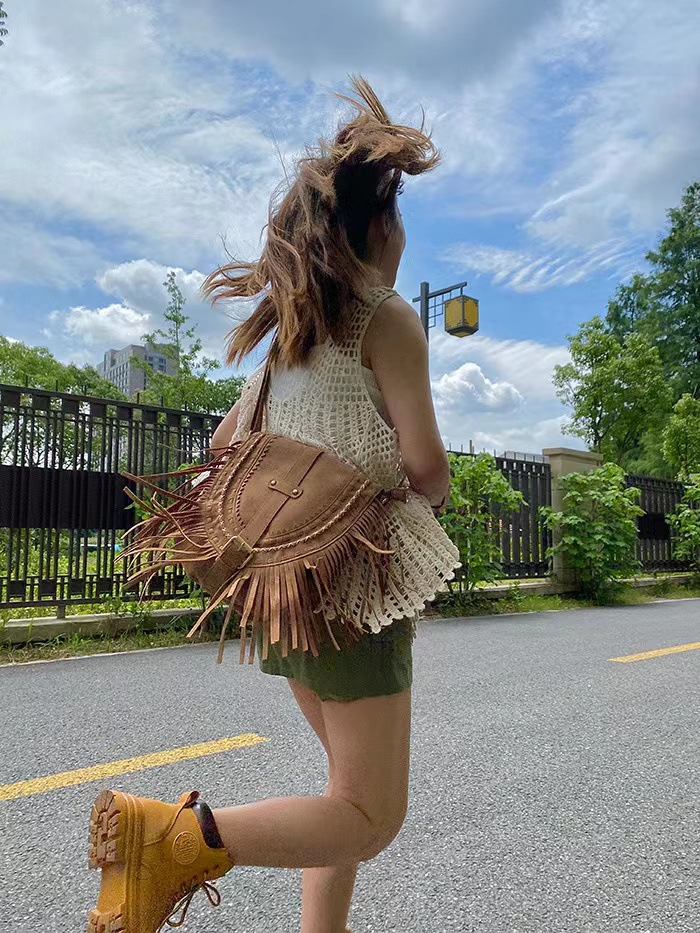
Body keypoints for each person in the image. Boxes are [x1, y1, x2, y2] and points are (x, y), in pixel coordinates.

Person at [86, 76, 461, 933]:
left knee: (344, 796)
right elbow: (426, 466)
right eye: (400, 217)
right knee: (371, 814)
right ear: (380, 224)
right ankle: (173, 837)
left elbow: (224, 447)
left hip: (282, 591)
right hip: (352, 587)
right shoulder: (384, 317)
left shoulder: (291, 337)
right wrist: (413, 504)